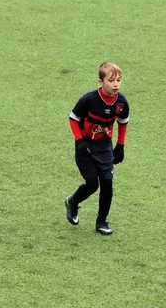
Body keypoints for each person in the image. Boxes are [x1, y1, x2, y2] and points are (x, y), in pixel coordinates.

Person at [64, 61, 130, 235]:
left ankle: (101, 222)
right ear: (100, 81)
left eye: (118, 80)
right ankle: (72, 201)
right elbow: (73, 118)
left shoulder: (121, 102)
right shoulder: (89, 99)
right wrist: (79, 140)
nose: (116, 84)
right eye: (111, 80)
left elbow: (123, 122)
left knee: (107, 184)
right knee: (93, 183)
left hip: (105, 147)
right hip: (85, 146)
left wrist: (120, 145)